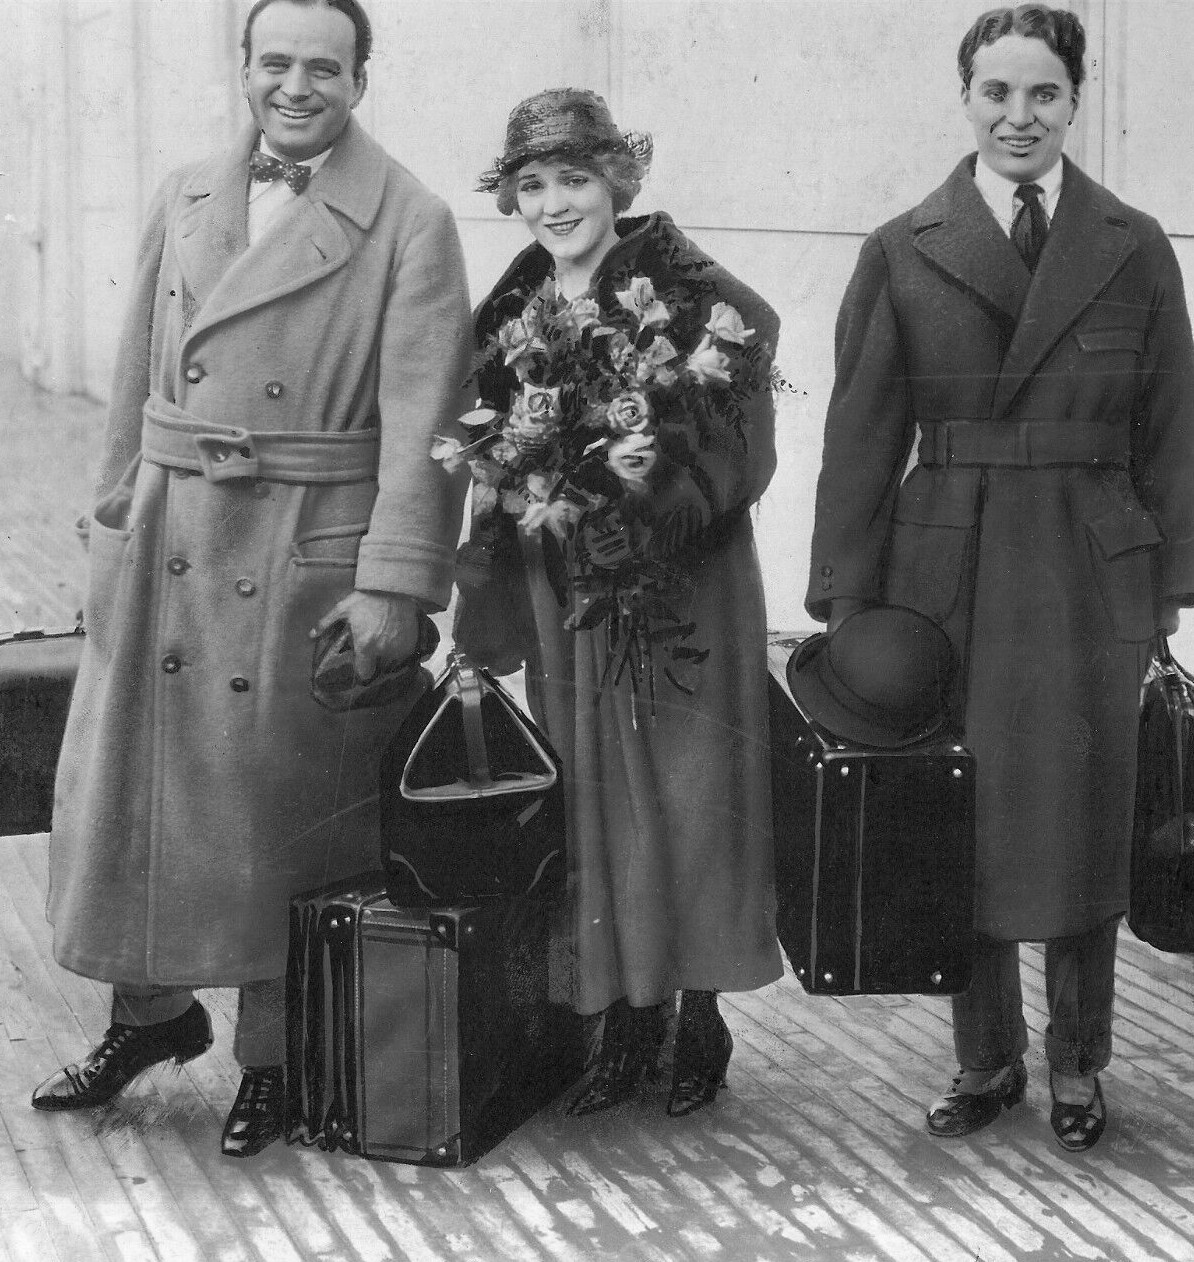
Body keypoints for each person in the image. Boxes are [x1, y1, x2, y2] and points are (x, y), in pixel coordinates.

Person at [33, 0, 473, 1159]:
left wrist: (395, 583)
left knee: (279, 818)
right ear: (244, 69)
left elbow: (429, 422)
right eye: (274, 62)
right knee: (138, 796)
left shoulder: (411, 219)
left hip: (302, 545)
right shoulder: (186, 192)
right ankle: (150, 1014)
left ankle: (276, 1058)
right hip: (171, 530)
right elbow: (137, 371)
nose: (295, 85)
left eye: (323, 67)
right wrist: (113, 518)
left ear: (360, 81)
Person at [807, 5, 1194, 1153]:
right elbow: (861, 433)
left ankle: (1079, 1060)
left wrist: (1169, 585)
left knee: (1085, 819)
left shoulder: (1134, 242)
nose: (1018, 116)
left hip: (1088, 567)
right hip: (950, 566)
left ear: (1074, 101)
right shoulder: (903, 245)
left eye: (1043, 93)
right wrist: (848, 596)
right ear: (966, 97)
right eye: (997, 92)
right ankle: (986, 1058)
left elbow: (1175, 429)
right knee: (959, 812)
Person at [459, 88, 783, 1118]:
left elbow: (739, 438)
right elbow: (491, 456)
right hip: (565, 587)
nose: (554, 203)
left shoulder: (694, 291)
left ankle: (701, 1013)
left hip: (682, 584)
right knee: (592, 793)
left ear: (618, 180)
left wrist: (650, 509)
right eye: (533, 184)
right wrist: (482, 603)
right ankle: (628, 1015)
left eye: (575, 179)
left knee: (690, 790)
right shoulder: (510, 308)